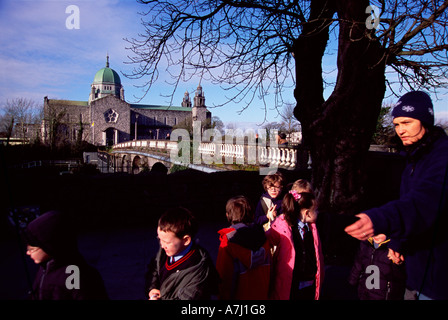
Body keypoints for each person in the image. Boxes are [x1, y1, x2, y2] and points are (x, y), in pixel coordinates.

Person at [345, 91, 448, 300]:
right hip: (415, 274)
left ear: (425, 120)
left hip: (439, 278)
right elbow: (406, 204)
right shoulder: (412, 158)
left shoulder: (442, 157)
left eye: (407, 122)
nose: (400, 130)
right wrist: (397, 242)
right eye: (397, 124)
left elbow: (423, 203)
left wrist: (380, 219)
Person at [22, 210, 108, 300]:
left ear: (50, 246)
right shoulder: (46, 267)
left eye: (32, 249)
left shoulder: (75, 275)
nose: (27, 252)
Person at [145, 207, 219, 300]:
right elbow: (155, 268)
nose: (162, 245)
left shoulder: (198, 268)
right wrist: (152, 288)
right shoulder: (167, 251)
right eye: (159, 239)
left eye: (167, 242)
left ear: (186, 240)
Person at [266, 189, 324, 300]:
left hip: (310, 282)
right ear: (307, 213)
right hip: (289, 282)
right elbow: (266, 240)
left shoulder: (313, 228)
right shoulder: (282, 226)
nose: (317, 212)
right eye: (315, 210)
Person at [216, 196, 271, 300]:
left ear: (228, 215)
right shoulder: (264, 238)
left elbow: (223, 275)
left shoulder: (228, 241)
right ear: (252, 215)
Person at [348, 234, 406, 300]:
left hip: (384, 294)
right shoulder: (366, 243)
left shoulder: (394, 248)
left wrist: (398, 264)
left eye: (380, 232)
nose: (375, 235)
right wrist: (352, 280)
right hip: (365, 291)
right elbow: (358, 263)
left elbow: (401, 275)